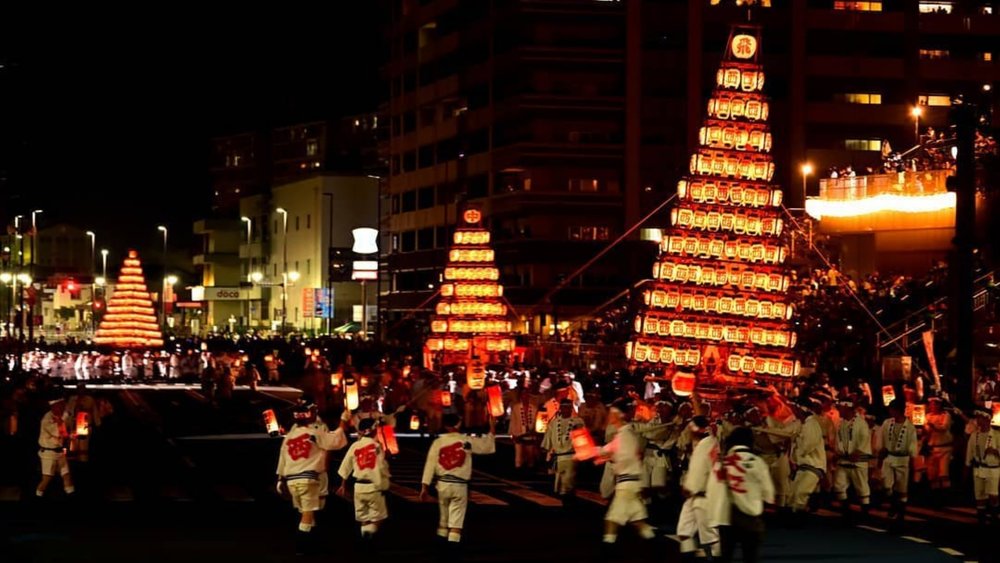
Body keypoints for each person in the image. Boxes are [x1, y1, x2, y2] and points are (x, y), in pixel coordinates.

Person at [276, 402, 349, 555]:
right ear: (309, 416)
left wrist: (280, 480)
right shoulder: (314, 433)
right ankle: (301, 547)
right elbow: (336, 441)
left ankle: (312, 543)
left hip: (291, 480)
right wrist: (343, 421)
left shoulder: (289, 437)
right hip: (307, 479)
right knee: (307, 514)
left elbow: (282, 460)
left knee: (307, 512)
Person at [420, 412, 496, 555]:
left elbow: (430, 465)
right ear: (458, 424)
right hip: (460, 485)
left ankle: (440, 547)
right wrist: (492, 429)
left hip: (442, 484)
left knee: (443, 518)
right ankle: (452, 549)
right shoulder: (466, 441)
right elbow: (486, 446)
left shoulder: (438, 443)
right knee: (456, 518)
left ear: (445, 425)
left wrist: (425, 487)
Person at [707, 426, 775, 563]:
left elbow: (712, 490)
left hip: (726, 516)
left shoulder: (721, 463)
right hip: (751, 516)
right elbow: (768, 493)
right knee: (750, 556)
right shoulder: (758, 462)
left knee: (726, 556)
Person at [599, 401, 658, 553]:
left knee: (612, 518)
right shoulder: (624, 434)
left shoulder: (625, 435)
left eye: (611, 413)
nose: (609, 416)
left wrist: (609, 456)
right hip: (631, 483)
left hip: (626, 483)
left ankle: (607, 549)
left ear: (619, 415)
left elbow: (624, 457)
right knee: (638, 520)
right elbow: (608, 450)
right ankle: (655, 548)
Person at [337, 418, 391, 546]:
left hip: (359, 487)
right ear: (373, 430)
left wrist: (343, 485)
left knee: (364, 517)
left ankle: (365, 543)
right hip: (373, 486)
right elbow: (381, 467)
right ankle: (369, 536)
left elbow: (345, 466)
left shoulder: (355, 446)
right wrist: (385, 483)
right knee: (379, 516)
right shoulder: (377, 446)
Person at [677, 415, 721, 561]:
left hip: (703, 495)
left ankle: (717, 558)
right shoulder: (704, 444)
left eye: (691, 428)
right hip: (693, 496)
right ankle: (689, 557)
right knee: (684, 531)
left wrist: (692, 487)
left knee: (711, 536)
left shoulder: (707, 445)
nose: (689, 431)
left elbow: (703, 470)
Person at [879, 398, 918, 527]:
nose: (890, 412)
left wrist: (913, 461)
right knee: (887, 484)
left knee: (901, 487)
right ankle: (893, 504)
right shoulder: (887, 423)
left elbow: (913, 445)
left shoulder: (910, 427)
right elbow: (881, 440)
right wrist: (881, 453)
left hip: (903, 459)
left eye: (892, 409)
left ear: (898, 410)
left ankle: (901, 513)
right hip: (889, 457)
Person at [541, 398, 585, 504]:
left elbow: (583, 439)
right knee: (560, 482)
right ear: (560, 408)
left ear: (571, 409)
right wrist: (545, 451)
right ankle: (565, 502)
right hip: (559, 456)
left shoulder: (578, 422)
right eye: (564, 407)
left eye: (568, 407)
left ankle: (569, 501)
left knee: (569, 481)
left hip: (571, 456)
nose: (566, 410)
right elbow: (548, 438)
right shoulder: (554, 422)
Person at [833, 398, 871, 517]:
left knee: (861, 486)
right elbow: (838, 440)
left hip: (857, 460)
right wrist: (837, 452)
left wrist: (858, 452)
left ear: (847, 408)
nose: (839, 410)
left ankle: (865, 512)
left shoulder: (861, 423)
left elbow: (864, 439)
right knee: (839, 485)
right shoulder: (841, 423)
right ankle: (845, 510)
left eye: (841, 408)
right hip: (843, 460)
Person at [790, 398, 826, 515]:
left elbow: (806, 447)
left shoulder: (811, 424)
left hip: (813, 466)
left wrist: (796, 439)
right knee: (793, 495)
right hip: (804, 466)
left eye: (794, 408)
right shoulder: (804, 424)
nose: (793, 410)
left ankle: (798, 519)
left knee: (800, 494)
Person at [965, 408, 1000, 525]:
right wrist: (967, 466)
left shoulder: (997, 435)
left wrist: (995, 451)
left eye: (981, 418)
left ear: (988, 419)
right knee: (980, 496)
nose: (979, 420)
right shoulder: (974, 435)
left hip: (992, 469)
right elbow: (969, 452)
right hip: (978, 468)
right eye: (978, 418)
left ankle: (995, 517)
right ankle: (981, 520)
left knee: (993, 495)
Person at [36, 398, 75, 498]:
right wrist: (64, 420)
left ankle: (71, 496)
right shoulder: (47, 419)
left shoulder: (61, 415)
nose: (63, 407)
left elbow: (66, 430)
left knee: (66, 475)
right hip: (49, 453)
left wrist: (71, 434)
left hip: (60, 452)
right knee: (47, 479)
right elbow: (58, 432)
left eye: (63, 405)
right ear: (54, 406)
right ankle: (37, 496)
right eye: (60, 405)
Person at [924, 397, 953, 492]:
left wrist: (933, 425)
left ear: (939, 405)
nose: (932, 406)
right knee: (932, 474)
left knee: (943, 473)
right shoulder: (927, 416)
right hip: (932, 449)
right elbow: (926, 429)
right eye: (931, 404)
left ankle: (945, 493)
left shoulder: (945, 415)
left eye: (935, 404)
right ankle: (935, 494)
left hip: (945, 449)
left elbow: (944, 428)